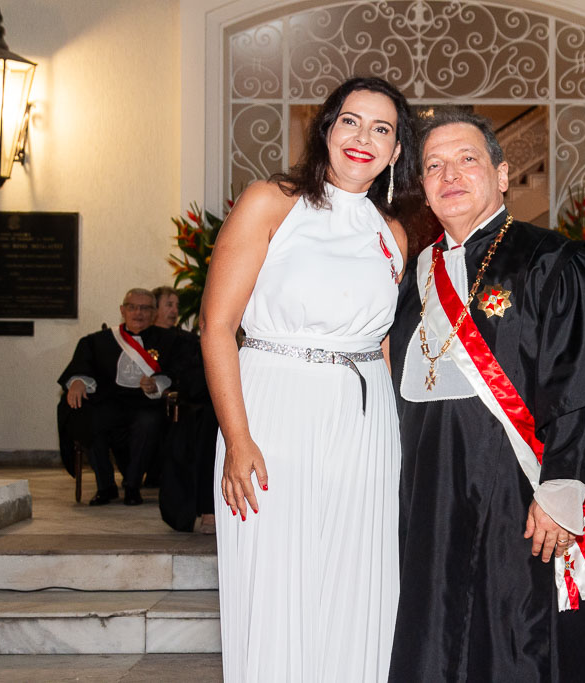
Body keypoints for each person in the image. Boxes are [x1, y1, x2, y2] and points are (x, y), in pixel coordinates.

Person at [388, 109, 585, 682]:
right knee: (434, 634)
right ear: (422, 187)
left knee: (516, 641)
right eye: (433, 165)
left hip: (517, 494)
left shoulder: (552, 260)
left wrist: (563, 487)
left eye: (467, 159)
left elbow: (583, 380)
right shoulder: (413, 277)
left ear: (502, 174)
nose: (449, 175)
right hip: (429, 497)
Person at [200, 76, 418, 682]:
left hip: (365, 424)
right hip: (274, 411)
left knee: (357, 581)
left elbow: (383, 342)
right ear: (326, 129)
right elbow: (216, 327)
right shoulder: (271, 201)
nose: (363, 137)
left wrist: (398, 442)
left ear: (396, 152)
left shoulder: (393, 233)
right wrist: (237, 439)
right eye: (350, 121)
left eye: (382, 129)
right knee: (274, 581)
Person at [57, 288, 181, 506]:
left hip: (145, 404)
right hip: (109, 401)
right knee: (88, 417)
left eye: (145, 308)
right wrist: (78, 381)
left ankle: (132, 486)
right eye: (132, 307)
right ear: (123, 311)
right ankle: (105, 487)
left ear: (154, 313)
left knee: (149, 422)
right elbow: (82, 365)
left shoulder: (170, 341)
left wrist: (157, 385)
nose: (138, 313)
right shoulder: (98, 341)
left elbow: (177, 373)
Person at [151, 285, 217, 534]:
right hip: (150, 405)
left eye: (177, 305)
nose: (175, 310)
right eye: (169, 304)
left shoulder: (186, 339)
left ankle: (210, 508)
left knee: (208, 419)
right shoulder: (119, 339)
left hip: (187, 404)